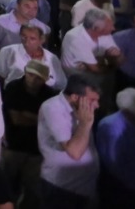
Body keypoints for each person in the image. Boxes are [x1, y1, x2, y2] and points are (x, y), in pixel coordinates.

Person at [37, 74, 100, 208]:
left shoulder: (81, 110)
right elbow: (75, 152)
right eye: (92, 100)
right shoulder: (53, 108)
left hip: (83, 188)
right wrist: (85, 124)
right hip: (62, 189)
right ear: (75, 97)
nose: (97, 105)